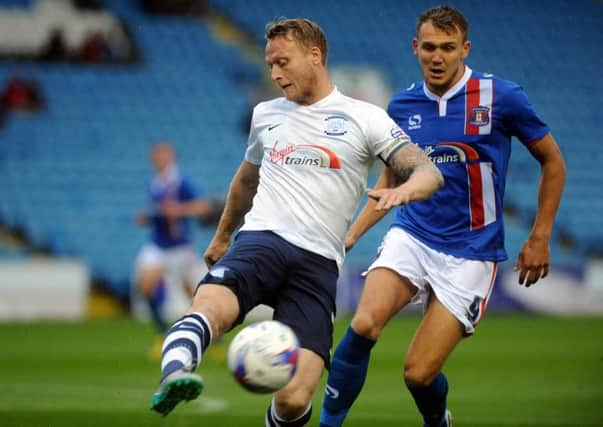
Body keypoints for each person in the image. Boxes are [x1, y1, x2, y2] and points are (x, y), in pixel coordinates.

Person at [149, 18, 444, 425]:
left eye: (282, 62)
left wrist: (404, 191)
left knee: (294, 397)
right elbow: (246, 179)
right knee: (211, 307)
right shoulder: (265, 114)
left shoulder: (365, 117)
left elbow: (428, 172)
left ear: (315, 56)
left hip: (318, 264)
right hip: (262, 240)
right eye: (270, 64)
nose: (274, 73)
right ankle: (176, 375)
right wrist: (222, 237)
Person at [319, 5, 566, 427]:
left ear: (464, 49)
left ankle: (437, 421)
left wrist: (540, 236)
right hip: (413, 234)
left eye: (448, 48)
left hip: (472, 251)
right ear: (415, 48)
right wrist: (348, 237)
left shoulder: (501, 97)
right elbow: (391, 185)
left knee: (418, 374)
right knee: (363, 324)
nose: (438, 56)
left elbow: (553, 163)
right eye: (429, 47)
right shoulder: (403, 105)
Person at [133, 141, 212, 337]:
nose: (159, 160)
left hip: (180, 247)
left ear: (171, 157)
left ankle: (212, 336)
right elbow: (160, 212)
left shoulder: (180, 181)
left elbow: (203, 206)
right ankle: (164, 334)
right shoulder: (155, 182)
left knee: (192, 295)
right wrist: (148, 217)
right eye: (156, 156)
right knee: (144, 287)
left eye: (163, 155)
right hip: (158, 245)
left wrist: (179, 210)